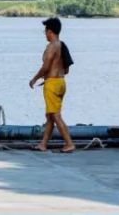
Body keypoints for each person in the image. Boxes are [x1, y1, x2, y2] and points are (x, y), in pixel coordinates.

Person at [29, 17, 75, 152]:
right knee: (50, 116)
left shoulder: (52, 46)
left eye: (45, 31)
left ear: (49, 31)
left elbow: (46, 66)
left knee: (55, 115)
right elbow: (66, 69)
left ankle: (69, 143)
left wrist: (34, 79)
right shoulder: (62, 45)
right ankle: (43, 144)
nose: (45, 34)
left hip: (52, 84)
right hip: (60, 82)